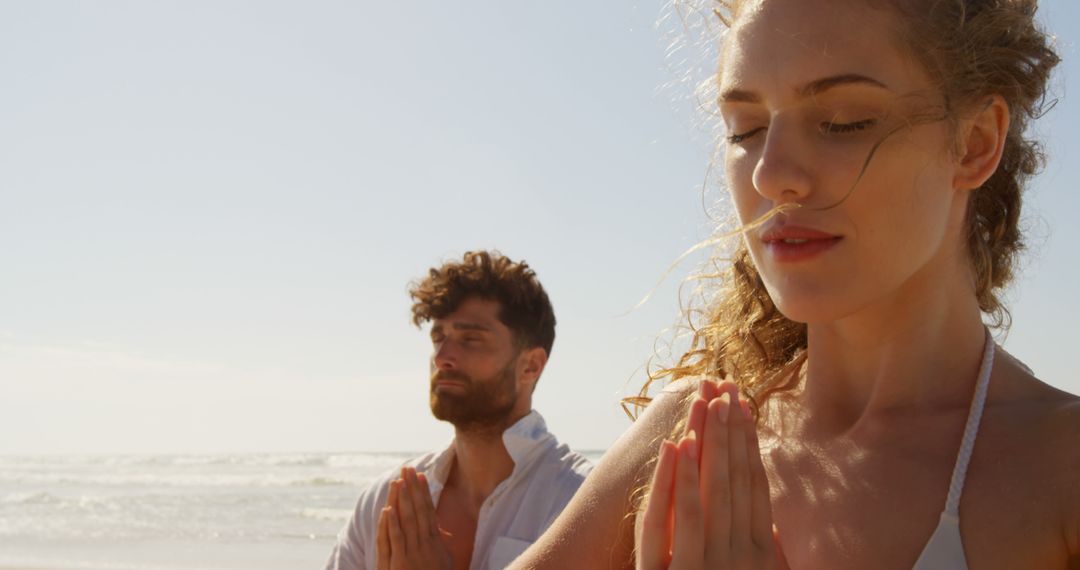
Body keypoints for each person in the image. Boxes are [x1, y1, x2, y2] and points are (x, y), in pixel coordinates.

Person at [509, 0, 1078, 568]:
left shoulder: (1058, 469)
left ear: (975, 142)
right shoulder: (687, 435)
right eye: (746, 130)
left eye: (843, 121)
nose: (770, 172)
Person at [326, 250, 592, 570]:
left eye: (470, 339)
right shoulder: (385, 501)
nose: (442, 357)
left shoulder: (579, 502)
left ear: (531, 366)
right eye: (438, 338)